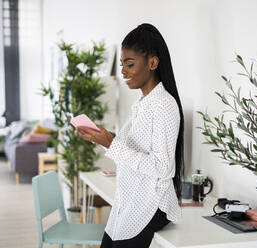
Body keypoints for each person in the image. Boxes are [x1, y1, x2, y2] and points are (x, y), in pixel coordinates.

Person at [77, 23, 184, 248]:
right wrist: (103, 137)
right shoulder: (142, 103)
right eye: (122, 64)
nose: (123, 70)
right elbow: (133, 145)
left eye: (130, 64)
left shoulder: (164, 105)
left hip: (152, 203)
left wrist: (111, 144)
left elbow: (163, 168)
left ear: (153, 63)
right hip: (131, 198)